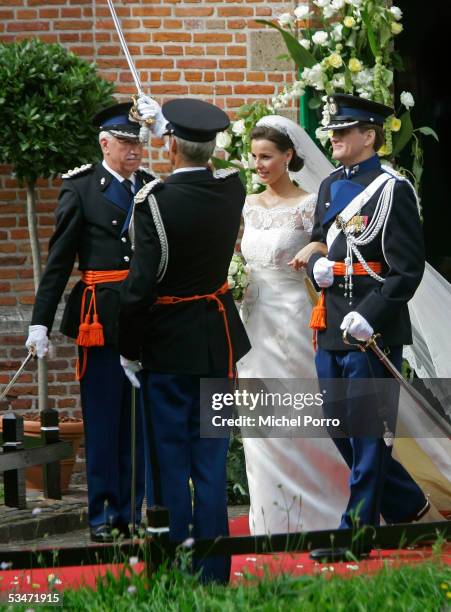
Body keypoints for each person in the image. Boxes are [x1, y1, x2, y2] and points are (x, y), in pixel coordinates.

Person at [119, 97, 251, 584]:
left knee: (169, 462)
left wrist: (129, 349)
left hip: (168, 347)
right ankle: (214, 574)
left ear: (171, 146)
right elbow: (223, 166)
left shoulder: (151, 201)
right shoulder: (232, 190)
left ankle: (172, 568)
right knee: (210, 463)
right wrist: (166, 129)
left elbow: (138, 289)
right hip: (215, 344)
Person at [306, 93, 435, 540]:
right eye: (334, 131)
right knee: (338, 425)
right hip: (332, 324)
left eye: (345, 131)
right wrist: (314, 267)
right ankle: (409, 505)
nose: (336, 138)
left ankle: (356, 532)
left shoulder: (392, 188)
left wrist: (372, 314)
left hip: (370, 329)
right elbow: (320, 245)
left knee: (366, 433)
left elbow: (406, 269)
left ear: (369, 136)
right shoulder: (329, 187)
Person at [25, 102, 153, 542]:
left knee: (138, 424)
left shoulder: (152, 187)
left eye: (139, 141)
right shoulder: (81, 189)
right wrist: (39, 322)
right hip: (99, 316)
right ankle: (101, 516)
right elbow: (59, 262)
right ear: (105, 143)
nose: (135, 150)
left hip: (144, 316)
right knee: (102, 419)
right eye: (126, 142)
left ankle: (133, 510)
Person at [237, 114, 350, 535]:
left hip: (294, 320)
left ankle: (326, 508)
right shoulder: (246, 204)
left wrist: (317, 247)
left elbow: (329, 245)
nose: (259, 165)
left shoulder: (308, 204)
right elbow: (239, 255)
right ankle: (270, 519)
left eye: (267, 156)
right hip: (253, 323)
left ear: (288, 156)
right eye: (254, 157)